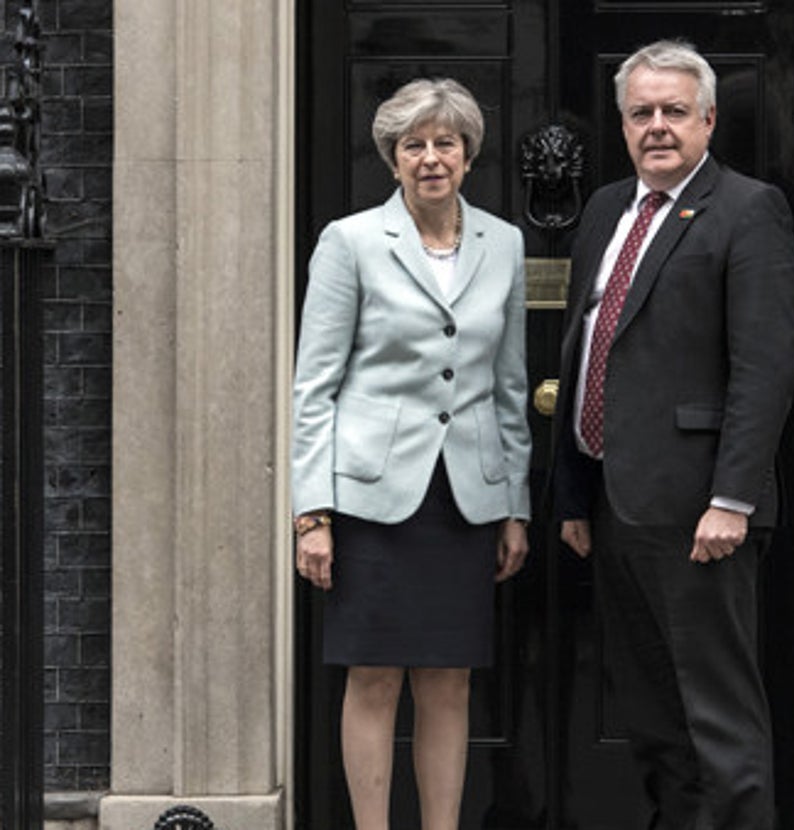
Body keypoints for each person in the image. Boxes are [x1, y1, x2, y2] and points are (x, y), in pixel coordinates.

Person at [552, 40, 794, 830]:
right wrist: (573, 495)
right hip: (614, 501)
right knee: (652, 711)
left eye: (674, 111)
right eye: (641, 113)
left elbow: (765, 368)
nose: (656, 126)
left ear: (709, 120)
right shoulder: (605, 211)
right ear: (623, 124)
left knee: (716, 713)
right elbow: (584, 349)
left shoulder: (748, 209)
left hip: (700, 509)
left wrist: (732, 499)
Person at [291, 78, 531, 830]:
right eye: (413, 145)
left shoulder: (504, 243)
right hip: (372, 498)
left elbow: (508, 386)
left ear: (468, 154)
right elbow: (314, 388)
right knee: (373, 678)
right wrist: (312, 514)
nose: (431, 158)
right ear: (392, 159)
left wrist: (514, 505)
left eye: (445, 143)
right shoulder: (351, 242)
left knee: (448, 680)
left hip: (465, 498)